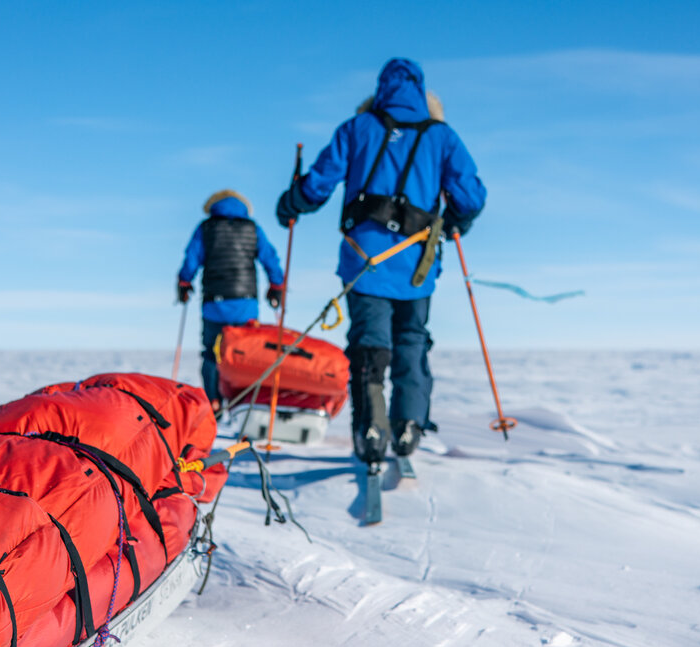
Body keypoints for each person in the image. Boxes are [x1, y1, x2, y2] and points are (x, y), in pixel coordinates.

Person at [276, 57, 486, 465]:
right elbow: (471, 197)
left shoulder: (357, 128)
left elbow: (317, 185)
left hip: (365, 263)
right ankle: (408, 425)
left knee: (369, 345)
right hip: (417, 268)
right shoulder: (442, 136)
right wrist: (455, 222)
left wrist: (291, 203)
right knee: (412, 341)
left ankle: (370, 431)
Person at [178, 190, 285, 409]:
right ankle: (243, 403)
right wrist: (276, 286)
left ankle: (214, 401)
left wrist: (184, 283)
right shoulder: (252, 228)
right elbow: (270, 258)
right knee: (245, 354)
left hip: (214, 305)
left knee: (211, 354)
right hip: (246, 305)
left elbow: (191, 259)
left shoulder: (206, 228)